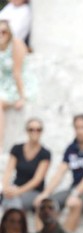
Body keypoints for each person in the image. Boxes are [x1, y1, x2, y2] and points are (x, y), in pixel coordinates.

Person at [34, 114, 83, 233]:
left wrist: (75, 193)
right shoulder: (71, 148)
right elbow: (60, 173)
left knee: (75, 203)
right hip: (75, 188)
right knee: (45, 204)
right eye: (77, 128)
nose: (80, 131)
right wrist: (45, 193)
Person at [1, 117, 50, 211]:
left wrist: (18, 191)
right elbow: (8, 171)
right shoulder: (17, 149)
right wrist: (6, 188)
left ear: (41, 132)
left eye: (38, 129)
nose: (34, 132)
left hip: (33, 192)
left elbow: (37, 180)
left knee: (14, 203)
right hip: (15, 188)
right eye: (31, 129)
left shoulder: (45, 154)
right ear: (27, 131)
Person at [0, 19, 31, 152]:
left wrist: (22, 97)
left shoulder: (16, 45)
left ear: (9, 33)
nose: (1, 34)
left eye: (4, 32)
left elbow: (17, 73)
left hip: (16, 85)